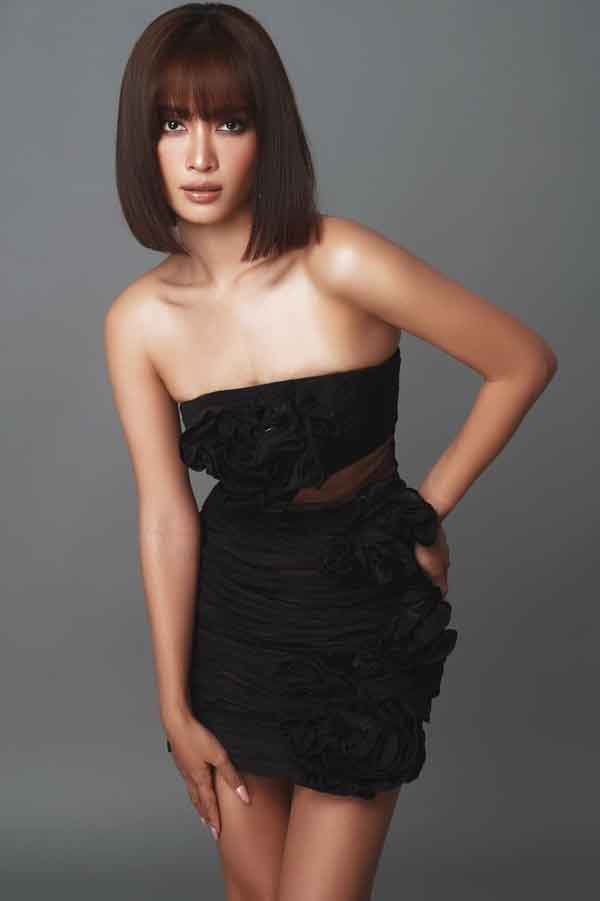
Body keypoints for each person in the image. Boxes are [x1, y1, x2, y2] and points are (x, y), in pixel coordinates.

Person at [104, 3, 558, 899]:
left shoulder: (340, 260)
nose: (200, 156)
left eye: (230, 122)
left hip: (361, 618)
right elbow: (164, 516)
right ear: (143, 143)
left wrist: (423, 510)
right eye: (174, 124)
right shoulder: (137, 321)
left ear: (267, 134)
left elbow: (520, 361)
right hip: (235, 624)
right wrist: (173, 703)